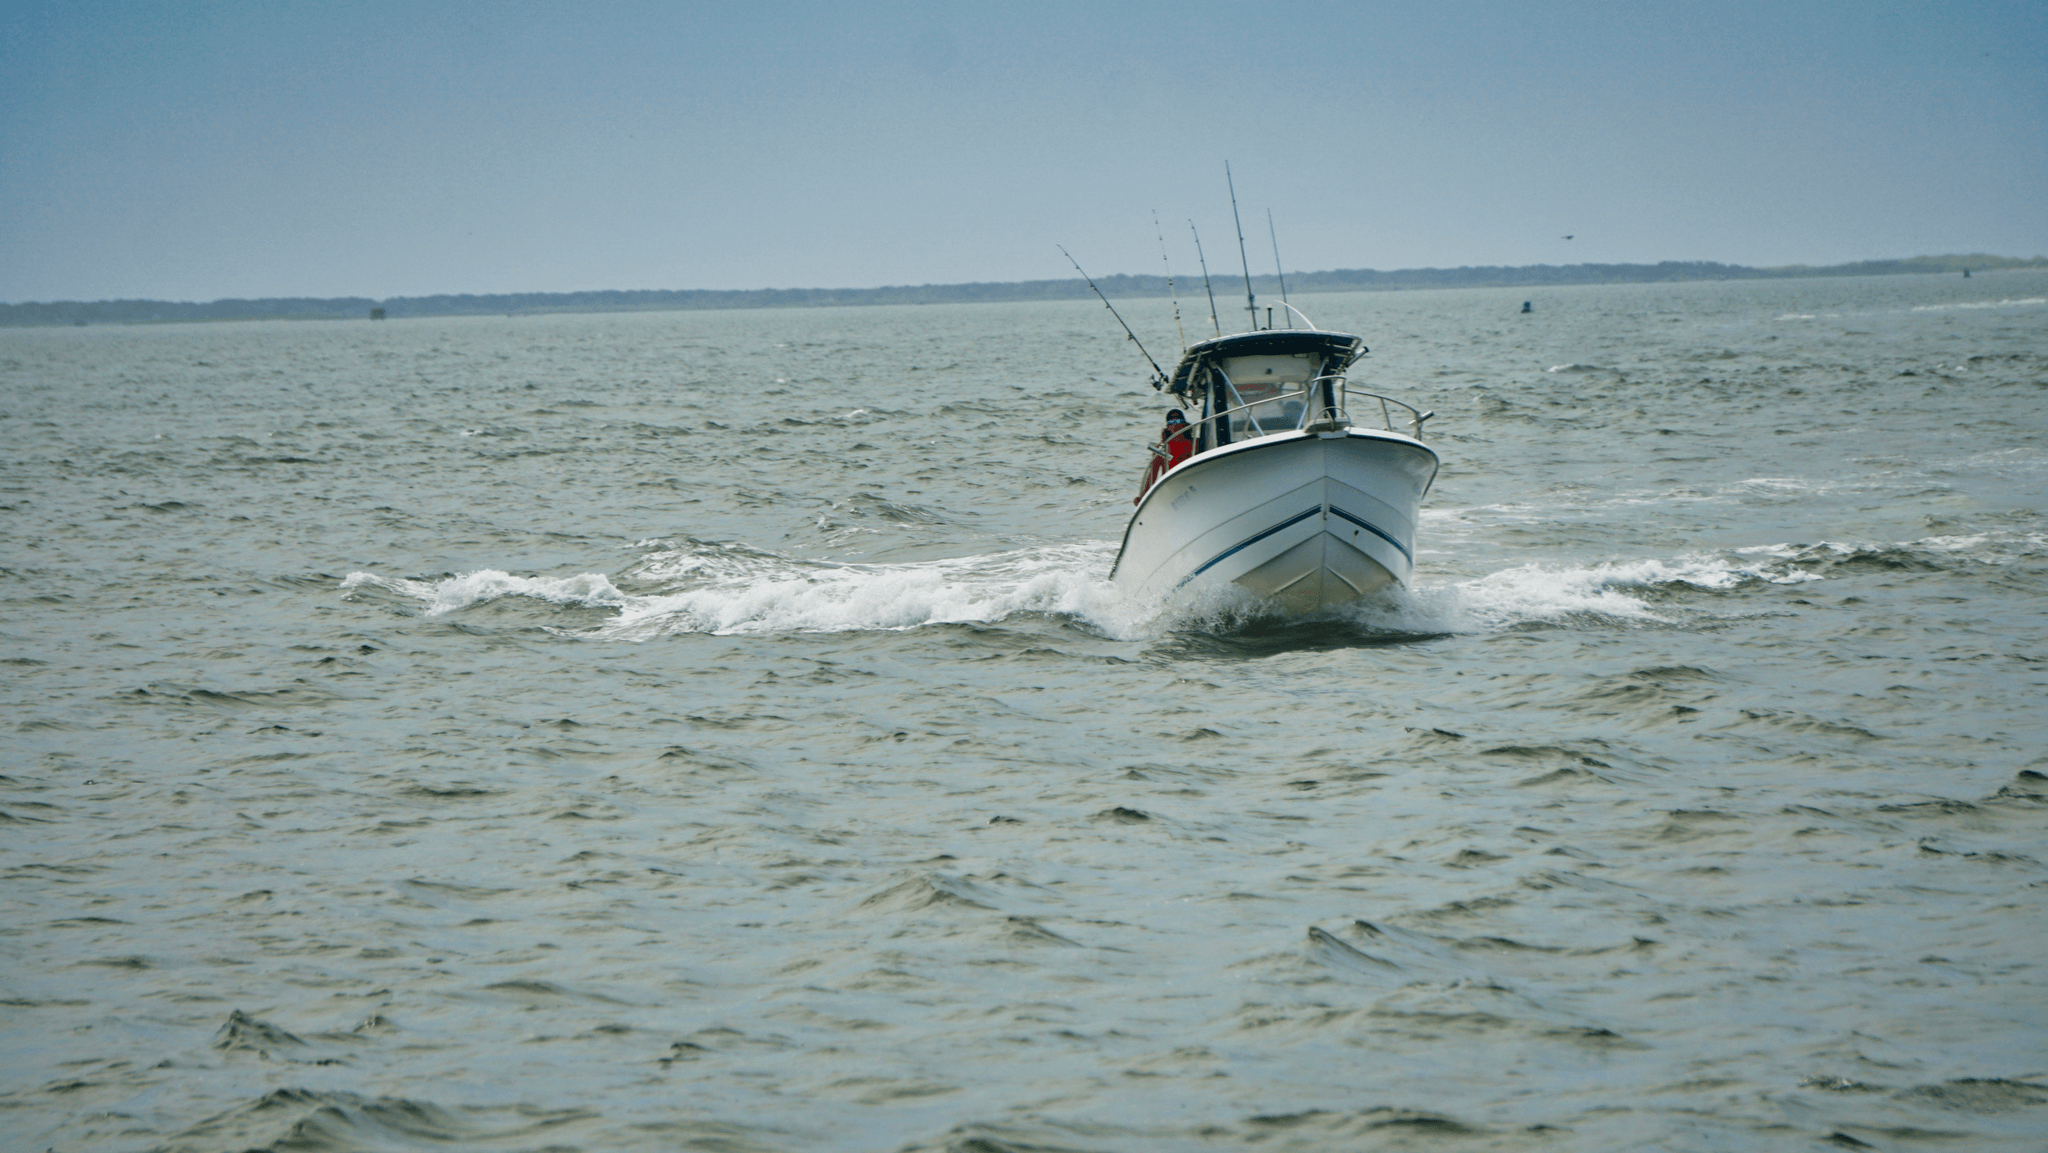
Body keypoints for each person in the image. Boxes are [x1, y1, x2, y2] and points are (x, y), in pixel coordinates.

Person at [1135, 409, 1195, 503]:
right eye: (1171, 422)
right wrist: (1143, 498)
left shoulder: (1196, 443)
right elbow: (1152, 475)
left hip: (1193, 482)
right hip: (1170, 487)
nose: (1175, 424)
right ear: (1167, 426)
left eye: (1178, 421)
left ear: (1184, 424)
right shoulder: (1161, 448)